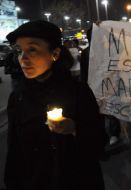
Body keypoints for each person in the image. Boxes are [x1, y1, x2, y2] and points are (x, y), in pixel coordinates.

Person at [4, 20, 107, 190]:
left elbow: (99, 143)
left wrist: (75, 129)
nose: (23, 59)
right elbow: (14, 151)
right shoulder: (18, 97)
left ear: (55, 54)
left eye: (32, 49)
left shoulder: (78, 92)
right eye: (19, 51)